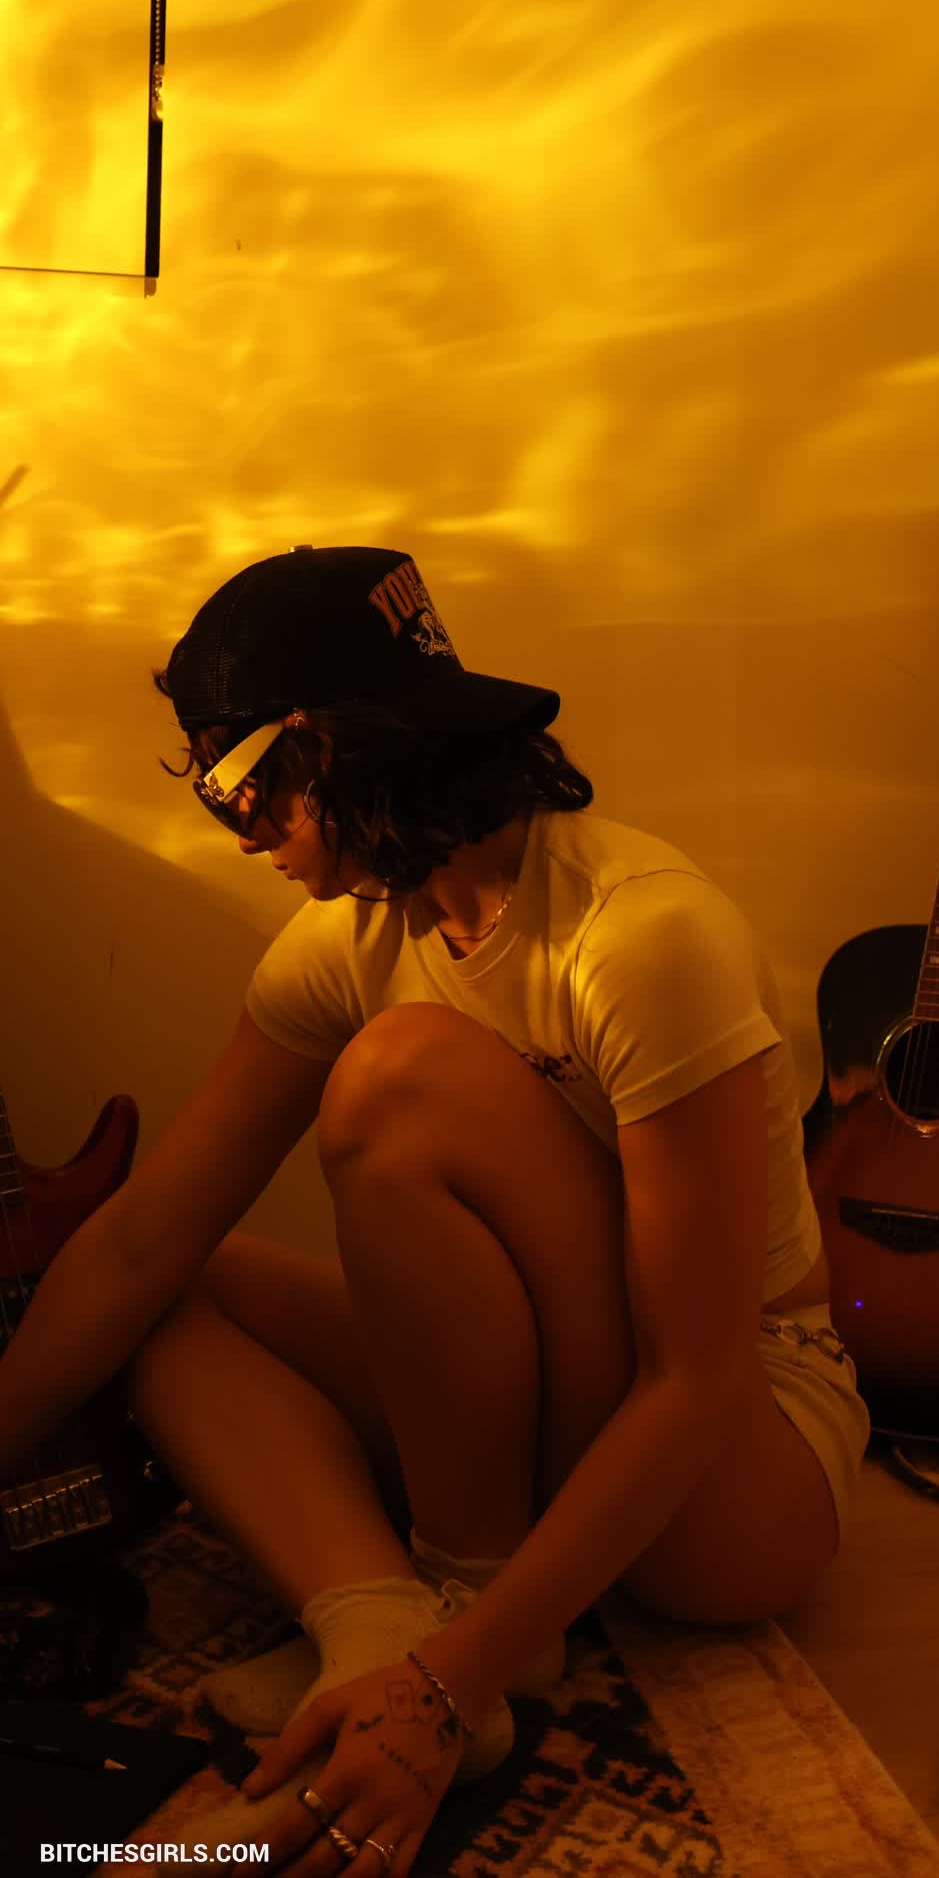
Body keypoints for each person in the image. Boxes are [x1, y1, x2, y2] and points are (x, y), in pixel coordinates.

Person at [0, 545, 872, 1876]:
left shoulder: (640, 938)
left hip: (741, 1460)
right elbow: (136, 1240)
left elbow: (694, 1378)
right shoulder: (349, 939)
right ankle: (378, 1626)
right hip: (572, 1407)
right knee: (169, 1287)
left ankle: (464, 1636)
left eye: (236, 783)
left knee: (401, 1075)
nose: (232, 829)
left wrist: (443, 1695)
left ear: (336, 747)